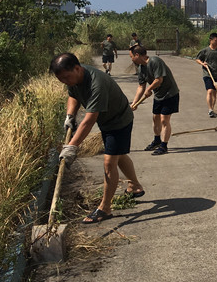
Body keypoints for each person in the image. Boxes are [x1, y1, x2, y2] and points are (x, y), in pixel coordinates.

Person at [50, 53, 145, 224]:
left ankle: (105, 208)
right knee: (118, 154)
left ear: (77, 68)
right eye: (61, 80)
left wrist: (71, 146)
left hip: (119, 120)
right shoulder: (74, 79)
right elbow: (73, 95)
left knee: (110, 162)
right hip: (106, 120)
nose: (65, 82)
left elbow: (88, 121)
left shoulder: (96, 83)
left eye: (66, 77)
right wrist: (70, 115)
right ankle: (135, 186)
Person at [130, 45, 180, 156]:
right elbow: (141, 86)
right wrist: (134, 103)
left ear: (137, 55)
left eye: (131, 57)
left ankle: (164, 146)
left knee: (164, 120)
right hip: (159, 95)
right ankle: (157, 140)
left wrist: (149, 89)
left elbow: (159, 80)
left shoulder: (155, 61)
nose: (132, 59)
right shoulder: (141, 68)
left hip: (170, 94)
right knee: (155, 118)